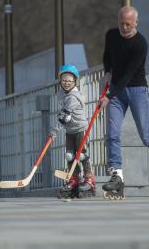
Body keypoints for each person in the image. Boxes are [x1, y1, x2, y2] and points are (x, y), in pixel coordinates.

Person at [98, 6, 149, 199]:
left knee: (146, 136)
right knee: (112, 134)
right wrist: (107, 71)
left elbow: (128, 75)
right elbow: (107, 55)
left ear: (136, 22)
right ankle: (116, 175)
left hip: (136, 90)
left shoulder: (140, 44)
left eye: (128, 24)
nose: (124, 28)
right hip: (117, 92)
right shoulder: (111, 35)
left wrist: (108, 96)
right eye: (121, 23)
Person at [51, 64, 96, 199]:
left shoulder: (73, 97)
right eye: (64, 80)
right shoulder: (62, 93)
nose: (66, 83)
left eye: (69, 81)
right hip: (69, 130)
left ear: (75, 82)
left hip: (80, 129)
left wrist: (54, 131)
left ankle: (89, 180)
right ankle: (74, 178)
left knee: (81, 155)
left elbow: (64, 116)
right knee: (70, 155)